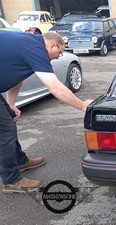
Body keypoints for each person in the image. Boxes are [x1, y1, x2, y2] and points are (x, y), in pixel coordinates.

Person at [0, 31, 92, 193]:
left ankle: (20, 161)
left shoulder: (30, 43)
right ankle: (12, 180)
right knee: (5, 132)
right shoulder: (36, 49)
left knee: (7, 123)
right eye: (60, 52)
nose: (58, 57)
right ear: (53, 45)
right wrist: (82, 105)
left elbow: (18, 77)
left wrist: (11, 105)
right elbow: (55, 87)